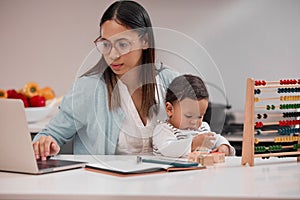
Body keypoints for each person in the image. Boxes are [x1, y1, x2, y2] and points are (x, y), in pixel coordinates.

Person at [32, 0, 179, 160]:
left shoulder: (171, 81)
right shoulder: (88, 89)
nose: (113, 55)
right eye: (106, 45)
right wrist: (46, 143)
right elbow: (49, 135)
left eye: (123, 44)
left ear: (145, 41)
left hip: (164, 182)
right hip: (105, 184)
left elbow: (196, 133)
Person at [153, 74, 235, 158]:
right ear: (170, 109)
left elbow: (216, 138)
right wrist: (193, 144)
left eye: (199, 116)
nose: (194, 122)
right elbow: (167, 149)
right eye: (188, 116)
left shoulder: (203, 128)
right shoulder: (163, 130)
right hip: (172, 170)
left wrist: (224, 146)